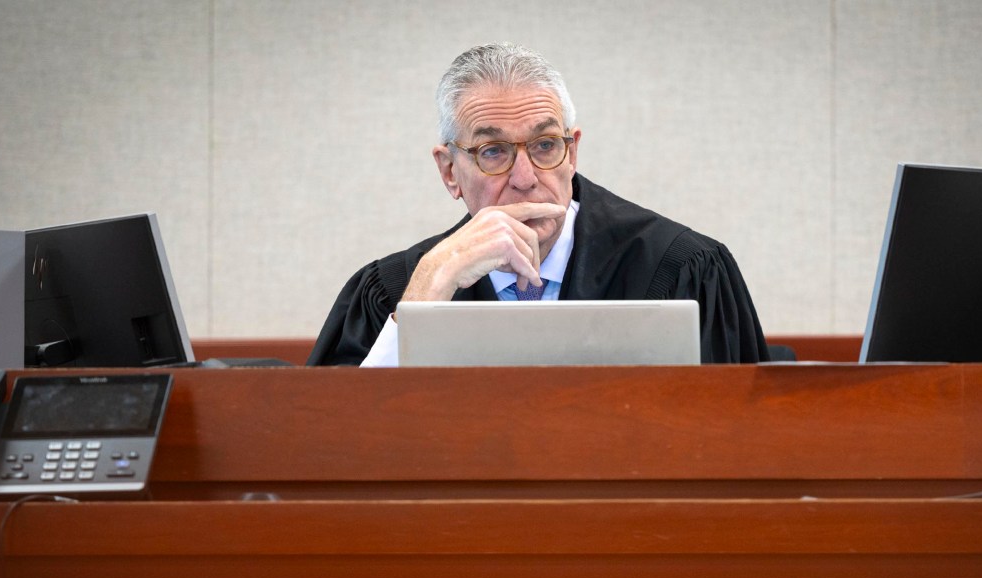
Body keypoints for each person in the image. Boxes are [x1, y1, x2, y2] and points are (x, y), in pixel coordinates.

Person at [308, 43, 768, 366]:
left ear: (573, 152)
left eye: (546, 145)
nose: (525, 180)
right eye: (493, 153)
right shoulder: (392, 290)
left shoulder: (684, 268)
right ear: (450, 171)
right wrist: (426, 293)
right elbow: (334, 444)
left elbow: (741, 442)